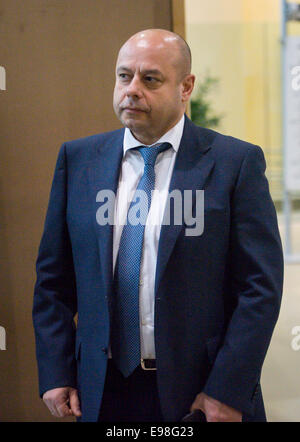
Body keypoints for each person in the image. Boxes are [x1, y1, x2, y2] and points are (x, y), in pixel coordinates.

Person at [32, 29, 283, 422]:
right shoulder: (78, 160)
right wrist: (56, 371)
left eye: (150, 79)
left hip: (200, 393)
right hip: (102, 390)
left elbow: (260, 289)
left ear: (186, 87)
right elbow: (53, 280)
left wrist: (227, 391)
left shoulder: (234, 164)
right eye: (123, 76)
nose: (131, 90)